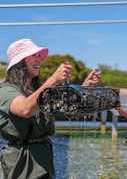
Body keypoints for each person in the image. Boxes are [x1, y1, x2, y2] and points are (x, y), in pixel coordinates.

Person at [0, 39, 101, 179]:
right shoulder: (5, 91)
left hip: (43, 158)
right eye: (33, 56)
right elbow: (25, 109)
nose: (39, 60)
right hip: (20, 163)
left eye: (39, 56)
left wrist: (85, 88)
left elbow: (66, 105)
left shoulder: (38, 91)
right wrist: (53, 79)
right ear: (19, 62)